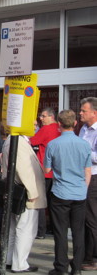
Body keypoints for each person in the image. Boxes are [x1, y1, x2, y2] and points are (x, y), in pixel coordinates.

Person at [44, 109, 92, 275]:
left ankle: (61, 267)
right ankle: (77, 267)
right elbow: (87, 171)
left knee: (60, 232)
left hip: (60, 192)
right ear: (75, 123)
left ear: (58, 124)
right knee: (78, 231)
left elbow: (48, 169)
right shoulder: (84, 145)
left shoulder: (53, 144)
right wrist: (83, 189)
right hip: (79, 193)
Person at [1, 135, 47, 273]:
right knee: (25, 229)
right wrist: (32, 192)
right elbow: (23, 168)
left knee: (14, 228)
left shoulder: (11, 140)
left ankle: (10, 259)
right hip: (24, 192)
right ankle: (20, 263)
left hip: (16, 190)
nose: (34, 124)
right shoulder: (18, 141)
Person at [30, 107, 60, 239]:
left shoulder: (46, 129)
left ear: (51, 117)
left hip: (45, 171)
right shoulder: (59, 129)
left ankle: (40, 231)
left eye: (43, 116)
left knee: (41, 202)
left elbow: (31, 141)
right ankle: (55, 229)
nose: (40, 119)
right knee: (54, 203)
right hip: (57, 172)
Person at [79, 98, 97, 271]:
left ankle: (92, 258)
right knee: (85, 218)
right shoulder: (84, 129)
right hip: (83, 176)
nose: (81, 113)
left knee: (91, 218)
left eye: (84, 110)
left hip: (94, 176)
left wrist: (83, 150)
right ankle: (86, 255)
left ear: (94, 113)